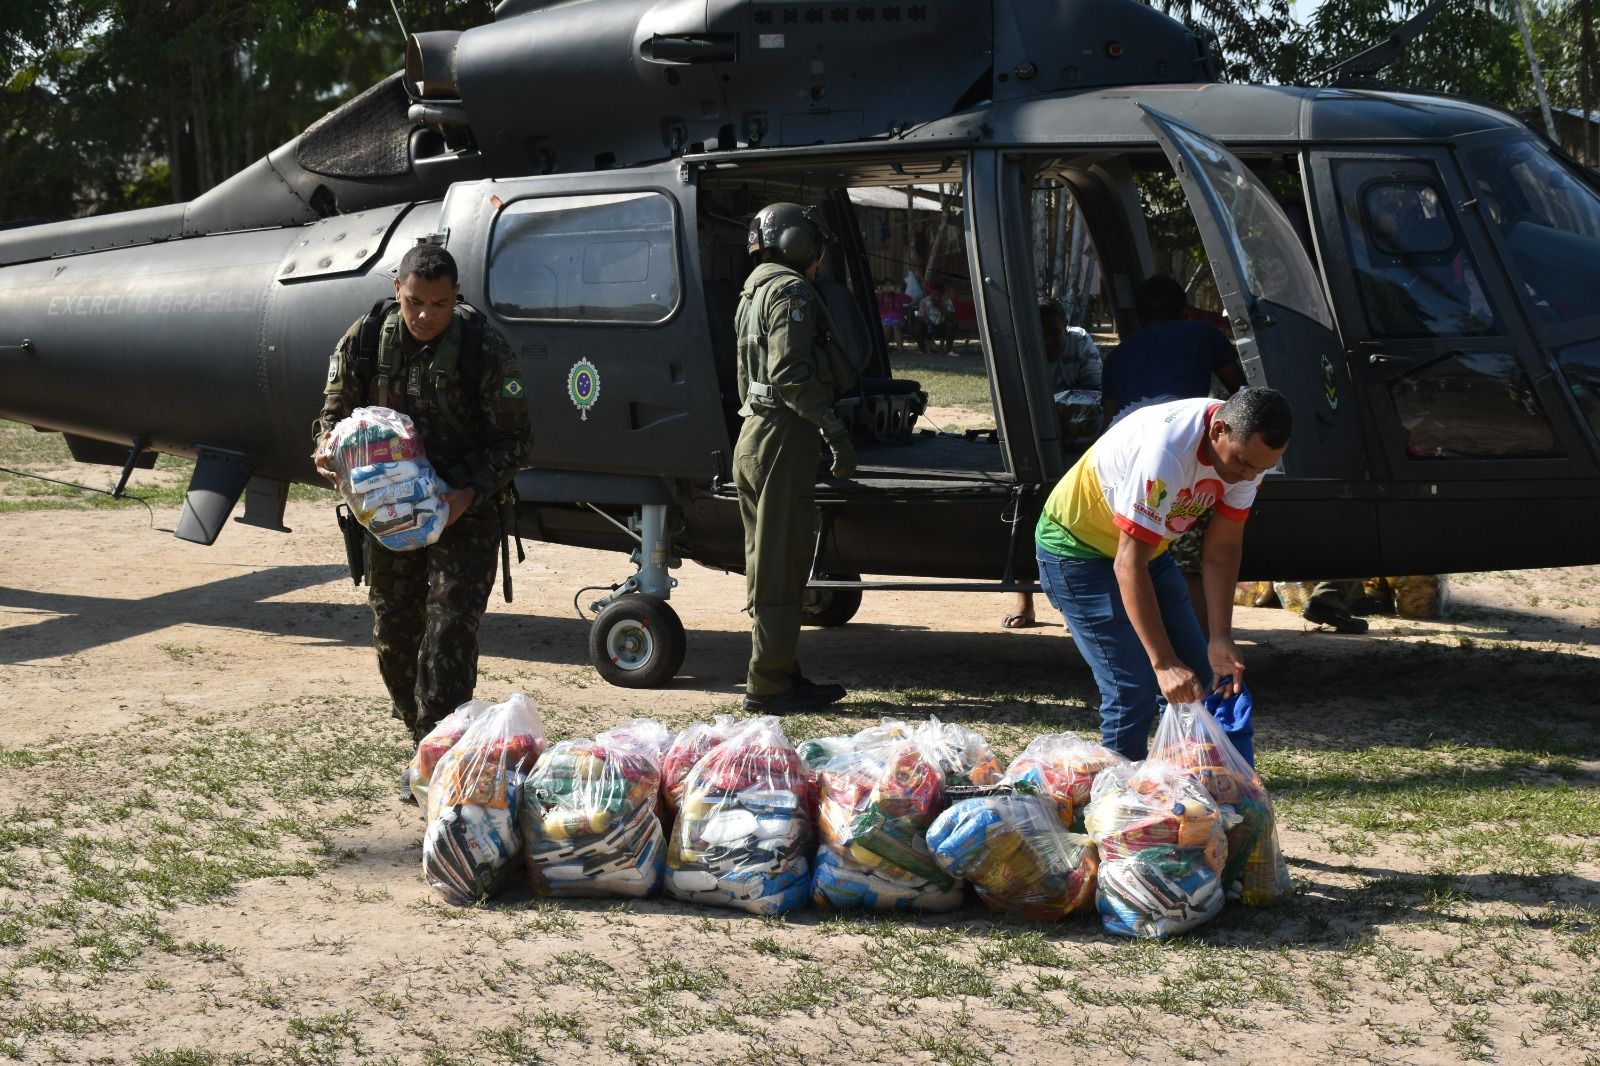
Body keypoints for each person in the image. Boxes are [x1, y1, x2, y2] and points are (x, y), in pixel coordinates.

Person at [312, 244, 534, 768]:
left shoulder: (485, 350)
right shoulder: (366, 340)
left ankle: (436, 753)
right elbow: (331, 417)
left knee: (449, 632)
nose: (425, 315)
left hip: (464, 512)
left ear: (456, 296)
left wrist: (470, 493)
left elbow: (517, 441)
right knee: (395, 633)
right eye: (415, 302)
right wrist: (327, 451)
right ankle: (421, 732)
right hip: (389, 514)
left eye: (438, 304)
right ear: (397, 289)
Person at [1033, 388, 1293, 760]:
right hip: (1076, 549)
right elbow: (1127, 564)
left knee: (1201, 677)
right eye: (1243, 464)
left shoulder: (1248, 455)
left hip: (1149, 550)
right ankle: (1119, 806)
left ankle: (1181, 788)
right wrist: (1163, 662)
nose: (1246, 476)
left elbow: (1222, 550)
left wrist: (1219, 637)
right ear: (1218, 430)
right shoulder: (1166, 452)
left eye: (1260, 469)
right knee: (1131, 690)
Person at [734, 202, 857, 713]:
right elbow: (790, 374)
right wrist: (835, 433)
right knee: (780, 569)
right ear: (798, 243)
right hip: (783, 437)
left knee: (766, 565)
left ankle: (781, 668)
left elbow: (750, 374)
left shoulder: (753, 291)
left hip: (755, 434)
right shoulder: (790, 292)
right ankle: (768, 685)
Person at [1003, 301, 1104, 629]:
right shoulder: (1020, 345)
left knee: (1076, 522)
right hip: (1030, 442)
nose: (1048, 341)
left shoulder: (1081, 342)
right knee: (1026, 514)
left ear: (1066, 326)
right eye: (1041, 334)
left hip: (1080, 444)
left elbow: (1094, 392)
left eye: (1054, 332)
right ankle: (1025, 602)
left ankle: (1073, 608)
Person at [1101, 275, 1245, 424]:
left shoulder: (1116, 356)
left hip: (1124, 437)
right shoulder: (1204, 333)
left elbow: (1109, 420)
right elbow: (1241, 393)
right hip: (1181, 431)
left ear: (1138, 315)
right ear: (1185, 310)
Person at [917, 281, 957, 355]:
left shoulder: (947, 301)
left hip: (942, 326)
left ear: (942, 294)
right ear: (931, 292)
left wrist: (941, 307)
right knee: (918, 326)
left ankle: (949, 350)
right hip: (928, 326)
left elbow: (951, 317)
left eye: (939, 296)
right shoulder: (924, 301)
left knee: (951, 325)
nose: (936, 298)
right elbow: (920, 316)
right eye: (934, 295)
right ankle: (923, 350)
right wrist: (925, 320)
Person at [876, 280, 910, 350]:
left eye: (890, 285)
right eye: (886, 286)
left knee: (896, 326)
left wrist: (900, 292)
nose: (888, 287)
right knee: (886, 327)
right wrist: (880, 291)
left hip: (898, 318)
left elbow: (909, 300)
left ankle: (900, 348)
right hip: (884, 318)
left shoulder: (898, 296)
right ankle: (884, 348)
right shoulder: (879, 296)